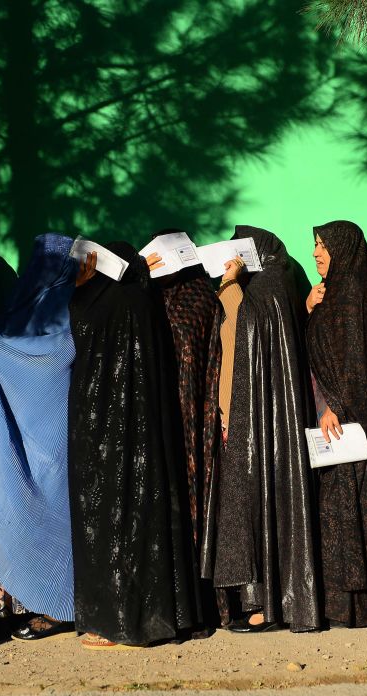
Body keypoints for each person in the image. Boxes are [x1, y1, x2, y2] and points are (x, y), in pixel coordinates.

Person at [68, 240, 197, 650]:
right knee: (142, 518)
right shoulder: (141, 298)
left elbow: (81, 331)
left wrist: (81, 288)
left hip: (107, 434)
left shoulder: (103, 300)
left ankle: (118, 621)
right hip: (142, 433)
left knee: (111, 521)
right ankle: (149, 616)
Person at [0, 233, 80, 642]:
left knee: (50, 517)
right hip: (51, 436)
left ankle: (62, 604)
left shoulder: (55, 307)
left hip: (52, 435)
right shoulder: (51, 303)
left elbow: (50, 355)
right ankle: (42, 601)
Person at [210, 225, 321, 634]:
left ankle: (268, 605)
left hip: (262, 423)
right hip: (249, 419)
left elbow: (245, 330)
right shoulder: (267, 284)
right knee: (250, 506)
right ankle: (258, 600)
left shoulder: (266, 285)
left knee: (260, 504)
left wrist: (229, 283)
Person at [305, 220, 367, 628]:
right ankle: (352, 606)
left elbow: (349, 364)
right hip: (348, 419)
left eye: (322, 245)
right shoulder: (337, 293)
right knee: (349, 511)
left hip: (344, 423)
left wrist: (332, 407)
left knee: (346, 510)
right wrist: (310, 309)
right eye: (315, 245)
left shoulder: (349, 295)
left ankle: (350, 607)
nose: (315, 253)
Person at [145, 229, 225, 630]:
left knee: (194, 506)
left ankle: (196, 604)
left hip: (194, 423)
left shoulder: (202, 298)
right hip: (155, 422)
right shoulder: (145, 298)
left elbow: (209, 358)